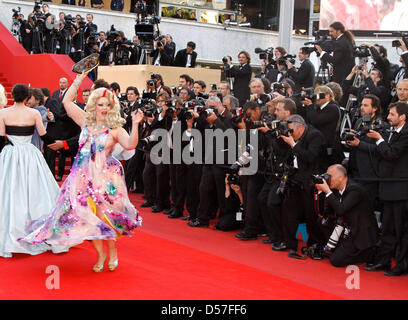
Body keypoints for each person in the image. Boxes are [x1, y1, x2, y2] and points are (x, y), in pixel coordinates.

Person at [20, 72, 144, 272]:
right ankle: (101, 254)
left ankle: (112, 253)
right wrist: (78, 79)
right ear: (94, 105)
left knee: (106, 219)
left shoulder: (115, 129)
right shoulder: (85, 122)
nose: (103, 108)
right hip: (82, 179)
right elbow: (67, 101)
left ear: (112, 107)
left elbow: (130, 145)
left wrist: (136, 125)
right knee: (87, 220)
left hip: (106, 180)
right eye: (100, 104)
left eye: (107, 105)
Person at [0, 84, 64, 258]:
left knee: (9, 191)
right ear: (28, 97)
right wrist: (60, 145)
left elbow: (0, 139)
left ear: (12, 96)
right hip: (30, 154)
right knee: (36, 192)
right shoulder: (34, 113)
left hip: (10, 155)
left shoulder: (3, 113)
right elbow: (44, 136)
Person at [364, 102, 408, 276]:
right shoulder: (392, 132)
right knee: (388, 228)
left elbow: (391, 154)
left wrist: (379, 140)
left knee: (402, 230)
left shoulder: (405, 134)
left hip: (401, 190)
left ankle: (402, 265)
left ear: (403, 117)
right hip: (389, 187)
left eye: (391, 114)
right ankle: (383, 261)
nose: (388, 117)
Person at [315, 164, 379, 267]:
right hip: (345, 228)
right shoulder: (335, 190)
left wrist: (327, 191)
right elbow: (326, 212)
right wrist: (320, 191)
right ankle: (339, 248)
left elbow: (341, 209)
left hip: (359, 233)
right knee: (323, 221)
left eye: (329, 176)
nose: (327, 179)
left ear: (340, 178)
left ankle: (369, 253)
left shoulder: (355, 189)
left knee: (336, 261)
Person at [315, 21, 355, 87]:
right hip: (347, 75)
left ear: (338, 31)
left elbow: (335, 60)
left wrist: (322, 53)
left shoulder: (340, 42)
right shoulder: (346, 40)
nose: (330, 34)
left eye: (332, 31)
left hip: (341, 77)